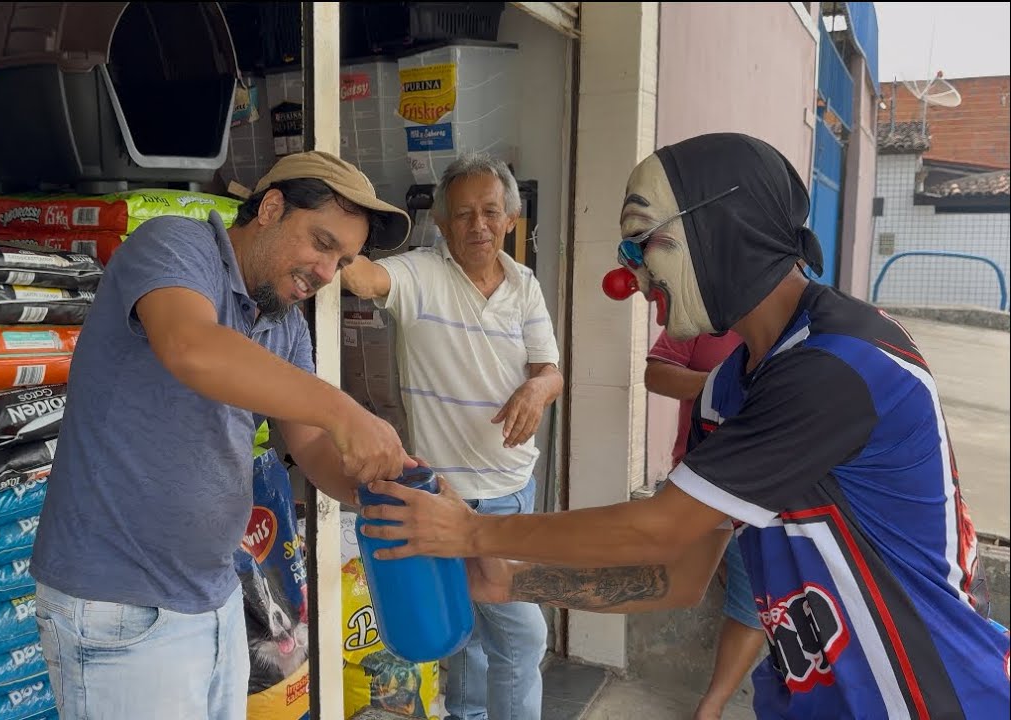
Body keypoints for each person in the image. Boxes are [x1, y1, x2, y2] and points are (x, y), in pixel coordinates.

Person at [356, 133, 1010, 718]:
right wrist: (510, 579)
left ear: (720, 229)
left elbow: (659, 524)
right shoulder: (728, 389)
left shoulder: (839, 366)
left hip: (927, 697)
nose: (629, 277)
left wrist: (473, 531)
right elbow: (677, 574)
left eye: (642, 241)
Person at [30, 151, 418, 720]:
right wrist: (345, 411)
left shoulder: (284, 323)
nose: (326, 273)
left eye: (342, 261)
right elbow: (191, 346)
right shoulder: (176, 247)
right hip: (121, 606)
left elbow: (313, 446)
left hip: (216, 595)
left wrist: (390, 493)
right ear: (271, 208)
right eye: (322, 243)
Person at [341, 151, 562, 720]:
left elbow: (550, 370)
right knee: (521, 637)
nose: (478, 225)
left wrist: (536, 389)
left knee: (475, 635)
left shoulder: (524, 284)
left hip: (515, 491)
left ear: (511, 217)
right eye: (462, 214)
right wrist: (329, 222)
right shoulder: (422, 274)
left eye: (490, 211)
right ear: (441, 223)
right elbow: (363, 276)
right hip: (447, 499)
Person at [646, 328, 765, 720]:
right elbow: (656, 374)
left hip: (760, 491)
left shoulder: (799, 327)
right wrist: (722, 385)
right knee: (670, 581)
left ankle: (711, 705)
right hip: (694, 481)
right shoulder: (699, 315)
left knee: (752, 604)